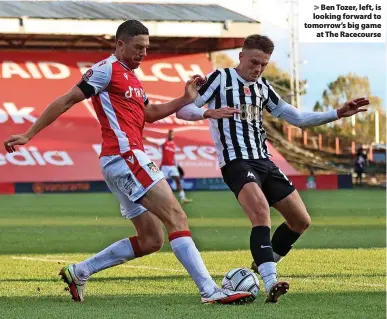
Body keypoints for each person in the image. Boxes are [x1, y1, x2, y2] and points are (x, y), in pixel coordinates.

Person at [3, 20, 251, 305]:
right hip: (126, 156)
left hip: (120, 160)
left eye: (146, 48)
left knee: (151, 240)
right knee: (177, 216)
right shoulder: (105, 70)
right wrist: (29, 133)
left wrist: (185, 98)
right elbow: (67, 100)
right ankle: (210, 291)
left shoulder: (132, 77)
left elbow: (150, 113)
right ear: (120, 44)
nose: (143, 54)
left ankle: (80, 271)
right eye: (138, 47)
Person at [175, 34, 369, 303]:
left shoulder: (263, 87)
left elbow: (298, 118)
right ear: (241, 56)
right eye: (254, 62)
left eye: (263, 64)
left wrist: (336, 113)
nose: (258, 69)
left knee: (301, 220)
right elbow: (183, 111)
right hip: (236, 161)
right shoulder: (219, 79)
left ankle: (262, 263)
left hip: (264, 161)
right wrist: (208, 112)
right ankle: (270, 282)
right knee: (261, 211)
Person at [144, 130, 193, 204]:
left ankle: (183, 198)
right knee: (160, 183)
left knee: (177, 180)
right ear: (168, 135)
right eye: (170, 134)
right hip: (165, 166)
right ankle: (155, 197)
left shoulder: (174, 145)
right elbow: (154, 140)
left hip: (173, 166)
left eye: (172, 134)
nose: (171, 136)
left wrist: (177, 166)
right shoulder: (164, 141)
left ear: (173, 136)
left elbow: (174, 157)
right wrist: (146, 138)